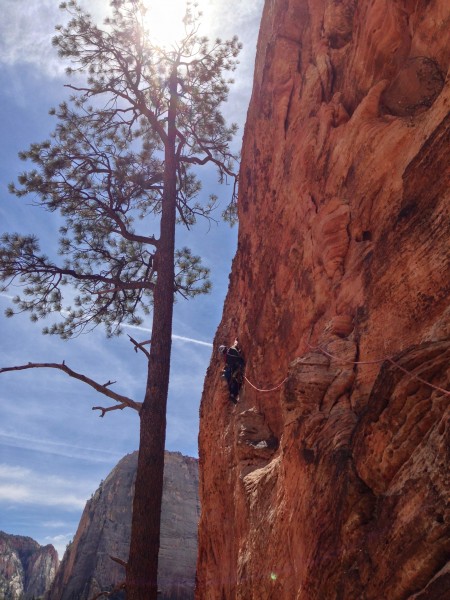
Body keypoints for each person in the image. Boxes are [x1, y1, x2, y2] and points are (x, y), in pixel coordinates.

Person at [218, 339, 245, 404]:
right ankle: (233, 394)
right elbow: (235, 345)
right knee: (235, 380)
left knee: (233, 381)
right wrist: (236, 340)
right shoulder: (231, 349)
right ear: (225, 348)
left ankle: (232, 394)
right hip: (239, 364)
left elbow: (229, 364)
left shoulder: (225, 358)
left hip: (233, 369)